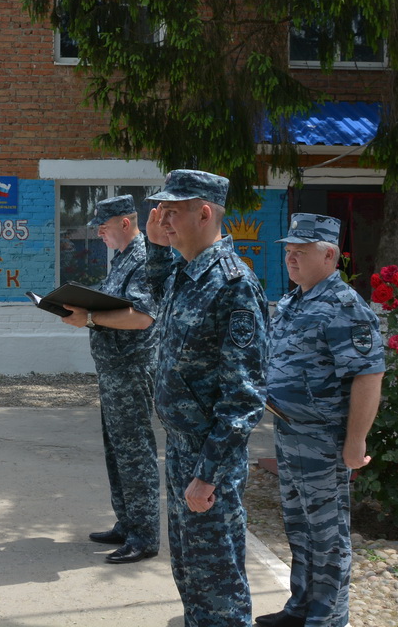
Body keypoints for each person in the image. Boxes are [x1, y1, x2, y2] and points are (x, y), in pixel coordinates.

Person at [143, 170, 267, 627]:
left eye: (173, 212)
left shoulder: (233, 285)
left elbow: (244, 396)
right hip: (181, 447)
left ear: (206, 213)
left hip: (208, 459)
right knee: (191, 573)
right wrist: (156, 246)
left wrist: (207, 477)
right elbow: (154, 295)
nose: (164, 219)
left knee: (219, 583)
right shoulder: (184, 272)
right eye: (162, 211)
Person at [258, 214, 385, 627]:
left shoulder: (344, 306)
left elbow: (368, 376)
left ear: (329, 254)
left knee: (327, 535)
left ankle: (328, 618)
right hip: (290, 432)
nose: (291, 258)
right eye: (288, 251)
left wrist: (356, 442)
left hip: (324, 439)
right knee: (299, 527)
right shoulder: (295, 300)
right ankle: (301, 608)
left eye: (301, 251)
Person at [57, 195, 160, 564]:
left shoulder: (143, 260)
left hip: (132, 370)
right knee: (118, 452)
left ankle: (144, 535)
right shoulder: (121, 261)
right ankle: (128, 522)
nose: (99, 234)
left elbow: (141, 317)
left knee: (135, 454)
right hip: (115, 371)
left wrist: (88, 319)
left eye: (104, 227)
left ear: (126, 223)